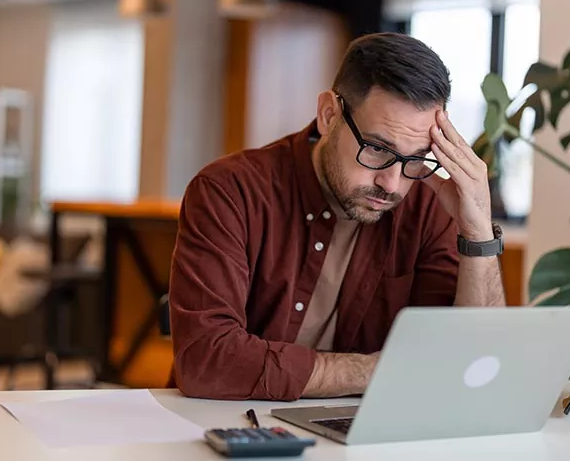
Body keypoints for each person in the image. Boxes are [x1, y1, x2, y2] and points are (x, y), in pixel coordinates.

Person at [168, 32, 505, 402]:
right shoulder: (230, 191)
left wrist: (477, 234)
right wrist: (377, 371)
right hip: (228, 429)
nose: (392, 184)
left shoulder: (427, 204)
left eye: (417, 157)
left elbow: (473, 368)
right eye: (377, 149)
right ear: (329, 115)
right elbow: (207, 361)